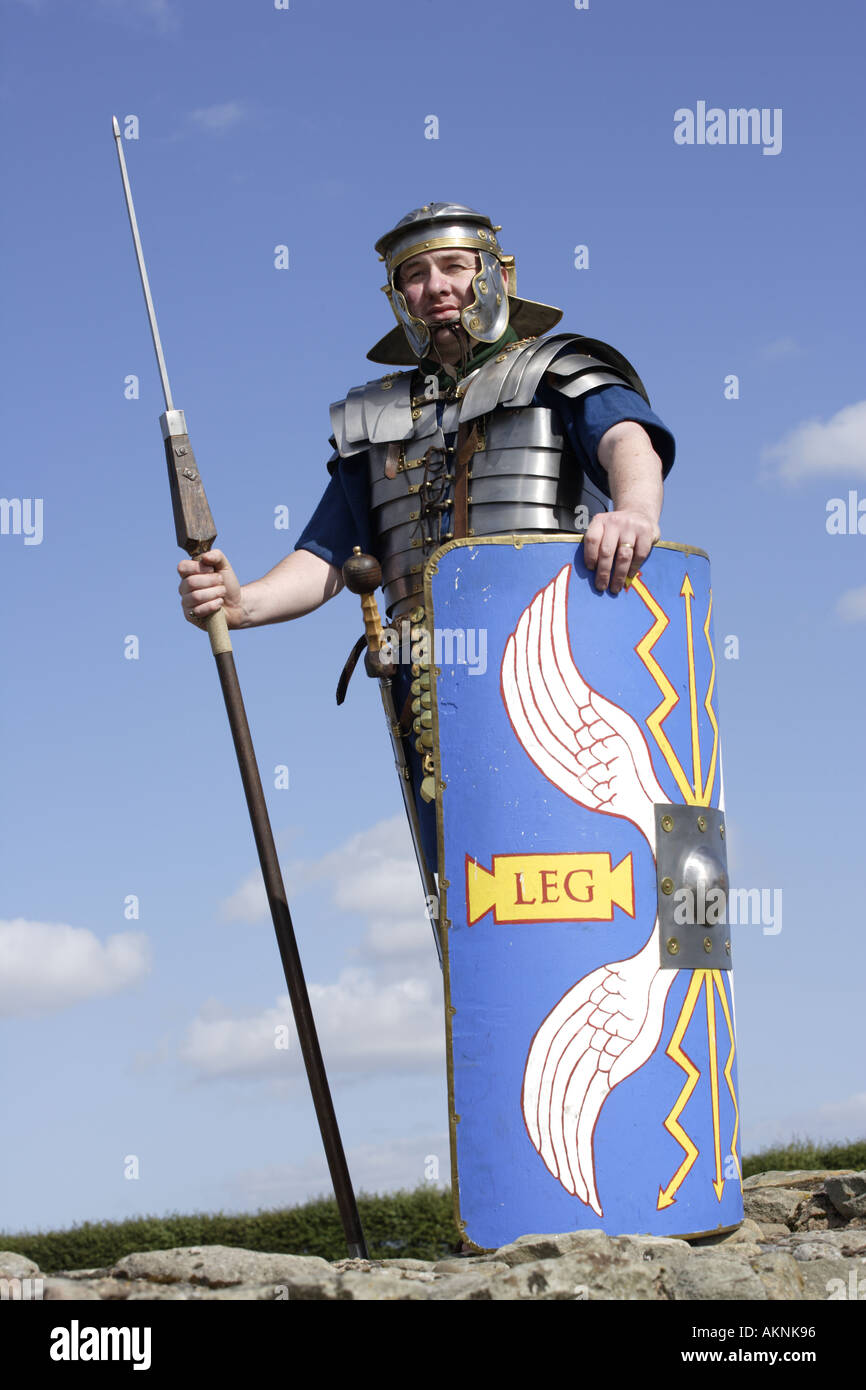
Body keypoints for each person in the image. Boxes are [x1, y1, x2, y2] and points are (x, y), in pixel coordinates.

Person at [178, 202, 675, 870]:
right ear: (399, 298)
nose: (436, 286)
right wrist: (244, 604)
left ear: (495, 276)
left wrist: (636, 512)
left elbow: (626, 439)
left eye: (453, 266)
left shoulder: (557, 370)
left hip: (551, 653)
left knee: (568, 860)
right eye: (414, 274)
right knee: (458, 878)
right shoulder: (376, 417)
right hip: (424, 674)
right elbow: (331, 552)